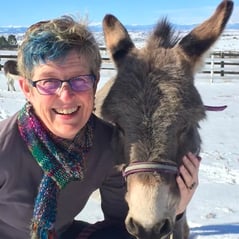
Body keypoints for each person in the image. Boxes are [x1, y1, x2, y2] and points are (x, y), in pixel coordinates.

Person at [0, 15, 200, 239]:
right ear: (27, 89)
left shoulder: (107, 144)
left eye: (79, 80)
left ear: (95, 83)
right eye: (49, 82)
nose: (66, 95)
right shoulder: (4, 148)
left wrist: (177, 209)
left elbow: (123, 228)